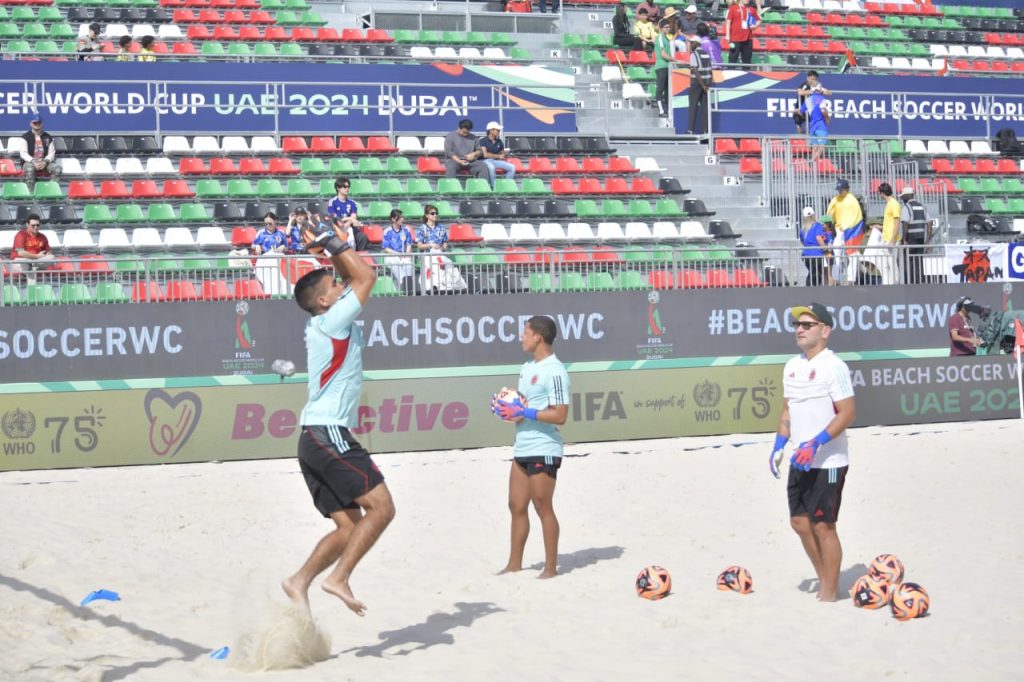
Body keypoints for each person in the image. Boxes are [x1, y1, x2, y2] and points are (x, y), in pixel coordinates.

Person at [282, 213, 395, 618]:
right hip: (328, 432)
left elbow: (353, 276)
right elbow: (366, 278)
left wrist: (333, 246)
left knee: (348, 528)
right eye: (333, 284)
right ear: (325, 301)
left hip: (311, 437)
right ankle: (339, 578)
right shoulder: (332, 319)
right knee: (382, 509)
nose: (340, 282)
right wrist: (332, 240)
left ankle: (299, 580)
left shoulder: (326, 317)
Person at [770, 303, 856, 603]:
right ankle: (825, 578)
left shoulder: (835, 366)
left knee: (823, 526)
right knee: (800, 523)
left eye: (808, 324)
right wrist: (779, 443)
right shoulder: (791, 366)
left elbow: (847, 413)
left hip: (829, 461)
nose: (800, 329)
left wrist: (816, 442)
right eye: (797, 324)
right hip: (800, 460)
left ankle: (830, 593)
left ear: (825, 331)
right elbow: (787, 411)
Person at [495, 315, 571, 579]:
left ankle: (550, 568)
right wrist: (508, 411)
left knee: (542, 505)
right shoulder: (527, 367)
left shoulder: (555, 370)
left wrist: (524, 411)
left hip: (545, 446)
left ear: (538, 336)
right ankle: (514, 564)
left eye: (524, 332)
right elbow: (523, 408)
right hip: (522, 446)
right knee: (515, 505)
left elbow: (560, 415)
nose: (521, 337)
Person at [416, 205, 466, 293]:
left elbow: (445, 241)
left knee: (450, 267)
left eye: (436, 213)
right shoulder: (421, 229)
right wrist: (430, 245)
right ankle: (435, 287)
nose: (435, 215)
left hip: (439, 253)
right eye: (432, 213)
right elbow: (419, 246)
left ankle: (458, 287)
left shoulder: (441, 227)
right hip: (427, 255)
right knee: (435, 267)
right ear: (427, 215)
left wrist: (443, 246)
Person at [825, 179, 863, 286]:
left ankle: (851, 279)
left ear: (847, 189)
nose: (839, 192)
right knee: (837, 254)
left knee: (853, 254)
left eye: (841, 190)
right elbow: (829, 216)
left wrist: (848, 228)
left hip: (851, 230)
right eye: (838, 190)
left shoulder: (852, 200)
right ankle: (836, 279)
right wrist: (832, 230)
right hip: (839, 231)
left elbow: (856, 217)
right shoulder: (835, 200)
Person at [19, 117, 62, 193]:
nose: (37, 124)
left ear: (41, 124)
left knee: (57, 169)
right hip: (30, 162)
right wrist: (33, 161)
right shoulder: (25, 137)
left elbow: (51, 153)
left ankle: (50, 192)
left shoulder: (48, 137)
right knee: (29, 169)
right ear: (31, 124)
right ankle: (31, 194)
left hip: (44, 162)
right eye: (34, 123)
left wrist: (45, 162)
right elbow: (23, 153)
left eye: (38, 122)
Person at [9, 213, 55, 284]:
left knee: (51, 257)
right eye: (33, 225)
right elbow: (21, 253)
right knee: (26, 264)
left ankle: (32, 265)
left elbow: (49, 252)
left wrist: (45, 255)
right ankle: (32, 292)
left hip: (35, 262)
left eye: (37, 225)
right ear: (27, 225)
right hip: (20, 261)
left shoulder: (42, 236)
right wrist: (37, 256)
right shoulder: (21, 235)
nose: (36, 227)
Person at [326, 177, 370, 251]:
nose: (347, 189)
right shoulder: (332, 202)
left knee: (362, 237)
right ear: (338, 188)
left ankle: (359, 258)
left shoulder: (352, 203)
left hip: (351, 228)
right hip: (338, 229)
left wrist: (349, 222)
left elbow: (354, 217)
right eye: (345, 187)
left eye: (348, 187)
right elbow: (335, 218)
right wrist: (350, 219)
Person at [381, 208, 416, 293]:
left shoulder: (406, 230)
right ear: (393, 219)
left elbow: (409, 244)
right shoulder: (387, 231)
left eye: (402, 217)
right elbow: (386, 248)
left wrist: (406, 254)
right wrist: (397, 254)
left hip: (403, 255)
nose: (402, 219)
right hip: (392, 255)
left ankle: (408, 286)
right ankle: (403, 282)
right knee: (393, 262)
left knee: (409, 262)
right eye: (399, 218)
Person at [900, 186, 930, 285]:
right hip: (921, 239)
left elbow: (905, 224)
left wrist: (904, 240)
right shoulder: (922, 206)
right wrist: (927, 240)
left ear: (907, 196)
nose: (902, 199)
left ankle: (910, 283)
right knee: (918, 261)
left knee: (908, 262)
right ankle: (919, 282)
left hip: (910, 239)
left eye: (903, 196)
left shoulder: (907, 207)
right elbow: (929, 223)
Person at [874, 183, 902, 285]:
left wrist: (892, 240)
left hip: (891, 240)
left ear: (882, 193)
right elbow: (890, 223)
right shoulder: (889, 204)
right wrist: (880, 227)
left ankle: (894, 284)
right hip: (886, 239)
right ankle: (887, 284)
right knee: (882, 263)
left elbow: (897, 223)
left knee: (892, 264)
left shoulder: (894, 204)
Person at [686, 33, 712, 136]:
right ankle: (705, 130)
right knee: (705, 109)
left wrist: (702, 85)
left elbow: (695, 71)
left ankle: (690, 130)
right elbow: (710, 70)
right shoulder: (706, 54)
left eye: (692, 42)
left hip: (697, 83)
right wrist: (707, 85)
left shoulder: (694, 54)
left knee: (693, 106)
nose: (690, 44)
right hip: (706, 84)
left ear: (696, 43)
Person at [478, 122, 517, 189]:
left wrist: (505, 153)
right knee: (491, 167)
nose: (499, 131)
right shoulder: (482, 140)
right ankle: (493, 187)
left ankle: (506, 187)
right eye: (498, 130)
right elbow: (485, 155)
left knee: (512, 167)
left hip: (494, 161)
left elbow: (501, 152)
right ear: (491, 130)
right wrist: (499, 156)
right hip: (484, 161)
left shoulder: (499, 141)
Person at [800, 81, 831, 163]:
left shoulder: (808, 100)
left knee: (814, 146)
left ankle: (812, 167)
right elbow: (823, 110)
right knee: (821, 146)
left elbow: (801, 111)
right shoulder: (821, 99)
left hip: (812, 126)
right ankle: (811, 161)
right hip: (821, 125)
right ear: (819, 89)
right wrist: (828, 118)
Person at [653, 19, 678, 119]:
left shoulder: (667, 39)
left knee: (668, 90)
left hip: (668, 67)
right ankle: (661, 110)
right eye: (666, 27)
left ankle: (667, 110)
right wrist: (675, 60)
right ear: (661, 28)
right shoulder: (660, 38)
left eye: (669, 27)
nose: (668, 29)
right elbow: (663, 54)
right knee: (660, 88)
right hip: (661, 66)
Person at [794, 70, 831, 135]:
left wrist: (821, 92)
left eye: (815, 79)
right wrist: (811, 91)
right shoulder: (804, 85)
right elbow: (800, 92)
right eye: (812, 79)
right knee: (797, 119)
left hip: (812, 109)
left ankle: (812, 135)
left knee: (814, 123)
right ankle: (800, 135)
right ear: (808, 78)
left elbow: (829, 93)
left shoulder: (817, 86)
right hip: (802, 107)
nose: (813, 81)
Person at [799, 207, 829, 287]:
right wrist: (825, 248)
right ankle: (812, 292)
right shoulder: (818, 226)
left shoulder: (803, 229)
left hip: (807, 254)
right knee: (816, 275)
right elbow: (818, 238)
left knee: (812, 273)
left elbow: (802, 241)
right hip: (817, 254)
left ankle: (810, 290)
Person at [725, 0, 760, 65]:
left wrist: (755, 26)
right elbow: (728, 21)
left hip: (748, 39)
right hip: (735, 39)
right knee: (732, 60)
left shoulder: (752, 9)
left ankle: (747, 74)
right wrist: (727, 35)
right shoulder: (733, 8)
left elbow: (759, 21)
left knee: (747, 61)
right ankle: (730, 73)